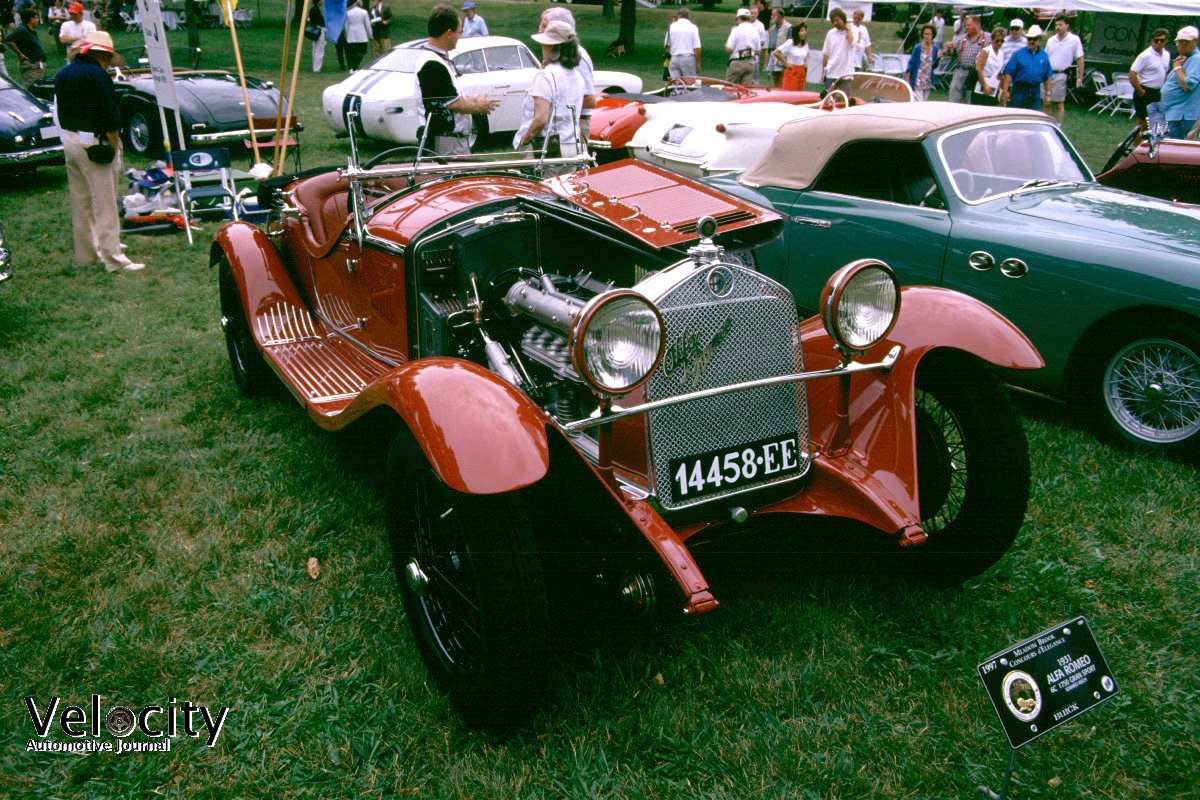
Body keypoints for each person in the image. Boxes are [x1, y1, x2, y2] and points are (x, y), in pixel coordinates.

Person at [54, 31, 143, 272]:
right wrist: (114, 148)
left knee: (81, 202)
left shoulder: (62, 74)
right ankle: (113, 258)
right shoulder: (98, 77)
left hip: (71, 140)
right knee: (105, 204)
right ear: (103, 56)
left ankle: (87, 255)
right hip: (95, 143)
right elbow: (110, 116)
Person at [412, 4, 497, 155]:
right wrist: (478, 106)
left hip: (449, 141)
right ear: (448, 33)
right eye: (459, 32)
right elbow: (454, 104)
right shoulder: (432, 64)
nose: (460, 36)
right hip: (445, 143)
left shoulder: (436, 60)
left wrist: (471, 100)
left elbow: (448, 98)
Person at [514, 19, 584, 177]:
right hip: (572, 147)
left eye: (544, 43)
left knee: (541, 194)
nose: (542, 47)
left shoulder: (545, 76)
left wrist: (525, 139)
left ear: (552, 46)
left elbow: (540, 118)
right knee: (565, 195)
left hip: (549, 149)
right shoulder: (577, 76)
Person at [1129, 28, 1170, 134]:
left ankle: (1148, 147)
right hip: (1145, 91)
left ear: (1166, 41)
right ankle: (1136, 148)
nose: (1159, 43)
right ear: (1152, 40)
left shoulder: (1167, 55)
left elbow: (1165, 72)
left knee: (1154, 124)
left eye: (1162, 40)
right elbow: (1132, 73)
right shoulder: (1145, 55)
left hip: (1157, 92)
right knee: (1141, 123)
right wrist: (1140, 90)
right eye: (1156, 40)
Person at [1162, 26, 1200, 140]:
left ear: (1195, 41)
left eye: (1186, 42)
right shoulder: (1185, 58)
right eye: (1179, 41)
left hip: (1183, 114)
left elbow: (1188, 85)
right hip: (1175, 112)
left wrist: (1178, 68)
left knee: (1176, 149)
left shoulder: (1196, 59)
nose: (1181, 44)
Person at [1000, 25, 1051, 110]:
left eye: (1034, 39)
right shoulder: (1018, 54)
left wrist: (1048, 94)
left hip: (1035, 91)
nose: (1031, 41)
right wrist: (1005, 91)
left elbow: (1047, 76)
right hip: (1019, 90)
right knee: (1014, 115)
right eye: (1029, 39)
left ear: (1039, 40)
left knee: (1033, 116)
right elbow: (1009, 73)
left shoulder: (1044, 55)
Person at [1043, 14, 1083, 124]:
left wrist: (1080, 77)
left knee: (1059, 103)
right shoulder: (1051, 40)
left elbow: (1080, 59)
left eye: (1060, 25)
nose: (1058, 27)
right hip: (1048, 75)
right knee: (1046, 102)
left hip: (1062, 75)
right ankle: (1046, 124)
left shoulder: (1074, 40)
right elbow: (1045, 58)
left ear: (1067, 26)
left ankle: (1058, 126)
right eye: (1056, 25)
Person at [946, 14, 988, 104]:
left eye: (969, 25)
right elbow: (952, 54)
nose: (966, 27)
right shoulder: (961, 38)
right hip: (960, 71)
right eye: (966, 25)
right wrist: (949, 48)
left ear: (977, 24)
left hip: (975, 74)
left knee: (969, 100)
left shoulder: (988, 38)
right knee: (954, 99)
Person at [4, 6, 45, 86]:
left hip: (37, 65)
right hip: (31, 66)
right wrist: (20, 54)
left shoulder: (29, 30)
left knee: (39, 88)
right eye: (36, 18)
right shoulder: (22, 30)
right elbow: (8, 39)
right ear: (31, 19)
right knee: (33, 88)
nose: (38, 21)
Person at [821, 7, 855, 92]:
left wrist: (849, 30)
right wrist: (823, 71)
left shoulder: (852, 30)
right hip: (831, 73)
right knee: (828, 100)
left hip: (845, 74)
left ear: (843, 18)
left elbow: (851, 42)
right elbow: (826, 54)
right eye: (833, 21)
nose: (835, 23)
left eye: (837, 20)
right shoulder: (830, 33)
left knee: (844, 100)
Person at [724, 7, 758, 86]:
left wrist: (726, 44)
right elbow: (758, 51)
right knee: (745, 90)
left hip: (737, 62)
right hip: (750, 62)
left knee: (731, 88)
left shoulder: (736, 30)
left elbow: (729, 50)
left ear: (738, 18)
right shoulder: (754, 30)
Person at [664, 6, 700, 80]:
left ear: (678, 16)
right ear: (688, 16)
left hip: (674, 58)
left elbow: (667, 46)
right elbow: (697, 48)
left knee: (675, 84)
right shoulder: (693, 27)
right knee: (690, 83)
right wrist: (697, 64)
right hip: (688, 57)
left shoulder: (671, 26)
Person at [974, 26, 1006, 106]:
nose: (999, 43)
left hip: (994, 86)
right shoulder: (986, 51)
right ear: (992, 40)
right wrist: (984, 86)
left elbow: (999, 73)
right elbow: (979, 69)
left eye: (1002, 41)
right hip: (982, 84)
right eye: (997, 40)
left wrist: (1001, 90)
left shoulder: (1001, 54)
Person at [906, 23, 938, 101]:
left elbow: (934, 65)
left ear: (932, 35)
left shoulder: (935, 48)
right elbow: (911, 63)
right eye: (925, 34)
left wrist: (939, 58)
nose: (926, 36)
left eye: (929, 34)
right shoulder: (917, 47)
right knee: (919, 102)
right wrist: (908, 80)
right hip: (918, 79)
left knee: (924, 102)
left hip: (928, 80)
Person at [772, 21, 807, 91]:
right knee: (790, 93)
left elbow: (807, 54)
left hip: (802, 71)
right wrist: (786, 63)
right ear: (796, 32)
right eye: (801, 31)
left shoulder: (805, 43)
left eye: (805, 31)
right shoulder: (790, 42)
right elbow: (776, 52)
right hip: (792, 71)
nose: (804, 33)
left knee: (799, 95)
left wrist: (806, 63)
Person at [764, 8, 789, 87]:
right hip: (773, 54)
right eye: (771, 15)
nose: (772, 17)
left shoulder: (788, 27)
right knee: (775, 78)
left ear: (780, 16)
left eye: (774, 15)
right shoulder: (773, 27)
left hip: (782, 55)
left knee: (782, 78)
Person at [343, 0, 370, 71]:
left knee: (353, 52)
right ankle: (355, 66)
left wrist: (346, 34)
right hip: (361, 34)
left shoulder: (348, 13)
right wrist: (370, 34)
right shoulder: (364, 12)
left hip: (351, 34)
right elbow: (367, 25)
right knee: (362, 51)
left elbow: (346, 26)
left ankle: (352, 66)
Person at [747, 4, 766, 84]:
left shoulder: (760, 26)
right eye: (751, 13)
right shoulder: (744, 24)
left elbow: (762, 41)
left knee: (754, 80)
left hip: (754, 55)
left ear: (757, 14)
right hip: (743, 56)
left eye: (755, 13)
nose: (753, 15)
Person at [309, 0, 325, 72]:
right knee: (319, 49)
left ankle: (315, 67)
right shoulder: (316, 10)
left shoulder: (313, 9)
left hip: (314, 30)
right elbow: (321, 21)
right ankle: (317, 68)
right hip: (318, 30)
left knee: (315, 49)